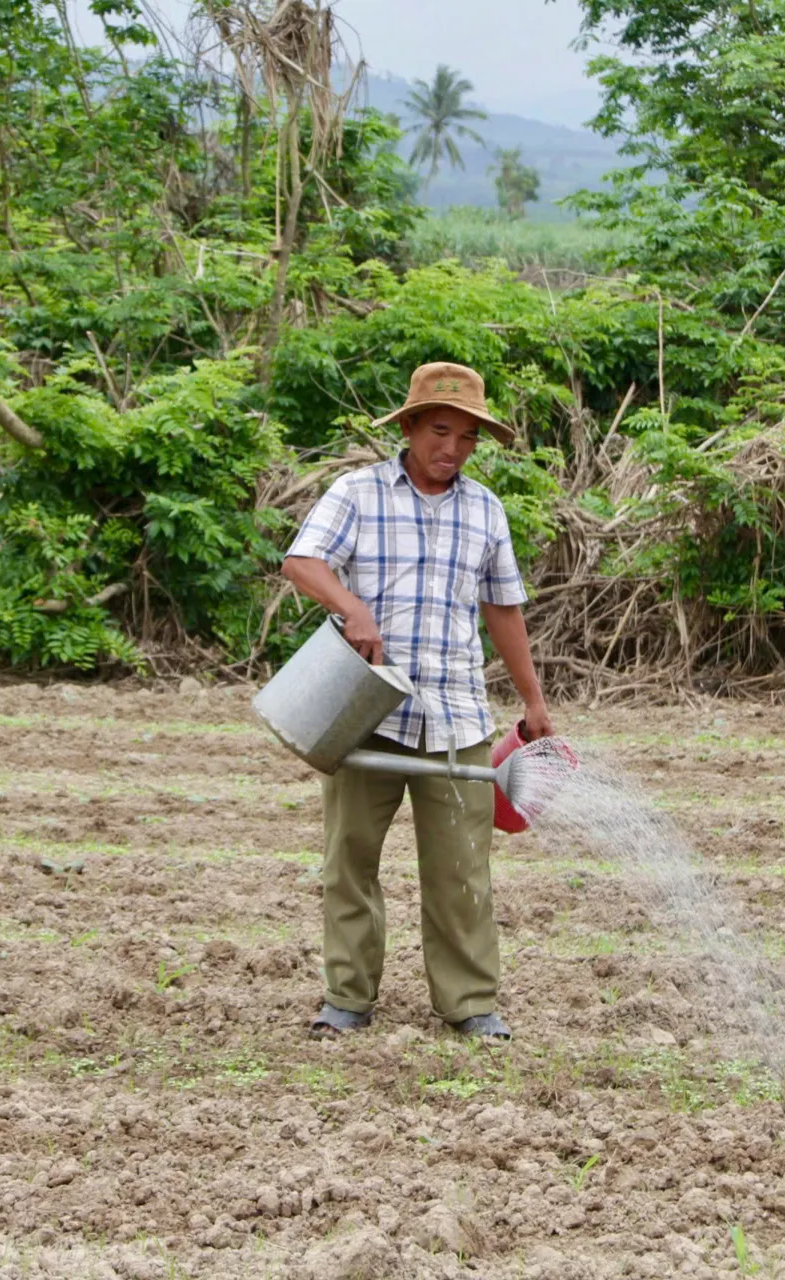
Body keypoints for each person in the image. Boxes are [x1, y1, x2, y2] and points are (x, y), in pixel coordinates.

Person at [281, 361, 554, 1042]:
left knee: (462, 868)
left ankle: (469, 1003)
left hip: (456, 714)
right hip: (363, 712)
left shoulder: (485, 509)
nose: (452, 449)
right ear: (408, 427)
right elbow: (302, 561)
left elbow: (503, 608)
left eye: (467, 437)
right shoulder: (358, 493)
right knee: (350, 860)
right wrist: (351, 608)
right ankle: (347, 997)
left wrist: (534, 700)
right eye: (439, 431)